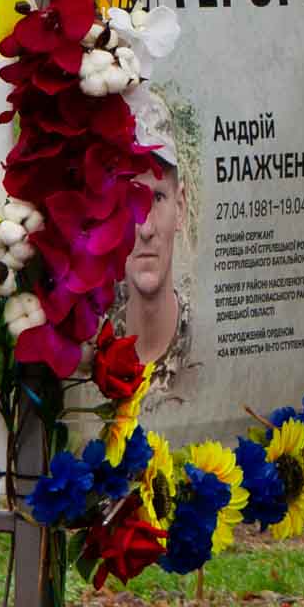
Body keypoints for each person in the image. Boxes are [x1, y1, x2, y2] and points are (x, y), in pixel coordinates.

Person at [113, 90, 196, 407]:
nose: (146, 228)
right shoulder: (91, 347)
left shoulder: (201, 343)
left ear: (180, 207)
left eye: (157, 198)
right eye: (130, 199)